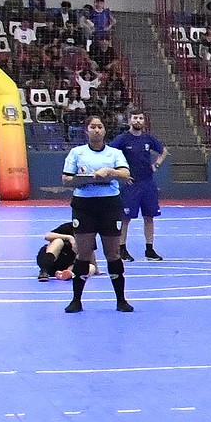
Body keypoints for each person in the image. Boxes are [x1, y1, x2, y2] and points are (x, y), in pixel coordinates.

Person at [60, 116, 134, 312]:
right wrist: (82, 179)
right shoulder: (77, 153)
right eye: (92, 127)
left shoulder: (114, 153)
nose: (96, 130)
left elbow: (126, 174)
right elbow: (66, 178)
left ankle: (121, 300)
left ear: (104, 130)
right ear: (86, 130)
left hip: (109, 205)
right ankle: (76, 300)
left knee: (113, 253)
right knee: (84, 253)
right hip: (84, 205)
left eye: (100, 126)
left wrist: (109, 171)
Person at [109, 111, 168, 261]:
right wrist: (120, 174)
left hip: (148, 183)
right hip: (130, 184)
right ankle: (122, 249)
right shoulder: (122, 139)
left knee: (149, 216)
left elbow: (163, 151)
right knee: (125, 218)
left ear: (144, 121)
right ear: (129, 120)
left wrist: (156, 165)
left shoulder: (148, 138)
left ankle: (149, 249)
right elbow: (110, 155)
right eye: (135, 118)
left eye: (140, 118)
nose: (138, 120)